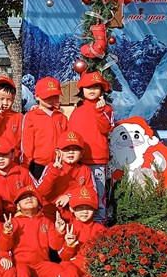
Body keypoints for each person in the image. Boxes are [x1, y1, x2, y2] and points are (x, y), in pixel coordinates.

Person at [4, 185, 73, 277]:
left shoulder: (46, 221)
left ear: (40, 204)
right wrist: (7, 233)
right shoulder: (14, 223)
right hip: (22, 263)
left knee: (57, 269)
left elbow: (55, 246)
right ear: (18, 206)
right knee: (21, 270)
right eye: (24, 198)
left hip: (41, 264)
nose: (28, 199)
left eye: (32, 197)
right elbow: (4, 246)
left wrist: (59, 231)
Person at [58, 186, 119, 277]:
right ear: (72, 209)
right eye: (80, 208)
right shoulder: (68, 227)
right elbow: (64, 257)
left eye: (88, 208)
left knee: (100, 276)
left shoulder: (99, 228)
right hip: (74, 264)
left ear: (94, 210)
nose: (84, 212)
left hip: (91, 266)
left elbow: (105, 250)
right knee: (69, 273)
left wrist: (100, 259)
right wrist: (69, 245)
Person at [69, 71, 114, 224]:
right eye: (88, 87)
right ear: (82, 90)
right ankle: (80, 227)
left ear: (102, 90)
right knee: (80, 194)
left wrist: (100, 111)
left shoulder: (107, 109)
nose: (92, 90)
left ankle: (99, 226)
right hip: (78, 161)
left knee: (98, 194)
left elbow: (106, 128)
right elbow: (71, 135)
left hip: (97, 160)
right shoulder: (77, 112)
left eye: (96, 87)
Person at [37, 131, 98, 220]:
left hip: (75, 214)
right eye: (66, 149)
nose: (71, 152)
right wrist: (54, 172)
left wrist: (70, 196)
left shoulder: (85, 170)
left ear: (82, 153)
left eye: (75, 149)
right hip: (50, 212)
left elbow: (92, 193)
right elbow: (40, 192)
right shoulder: (51, 167)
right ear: (58, 152)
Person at [22, 77, 67, 181]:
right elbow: (27, 143)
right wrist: (26, 164)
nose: (51, 99)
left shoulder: (62, 118)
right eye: (47, 96)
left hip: (59, 163)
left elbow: (66, 141)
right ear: (37, 97)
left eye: (55, 96)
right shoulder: (31, 116)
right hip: (38, 165)